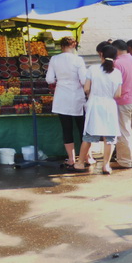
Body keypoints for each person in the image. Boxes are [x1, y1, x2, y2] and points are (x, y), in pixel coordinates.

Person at [74, 43, 122, 174]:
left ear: (101, 54)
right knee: (109, 138)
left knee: (88, 136)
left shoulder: (93, 69)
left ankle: (79, 163)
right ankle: (106, 165)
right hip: (110, 105)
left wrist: (91, 95)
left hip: (94, 104)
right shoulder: (117, 73)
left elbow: (86, 88)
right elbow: (118, 94)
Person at [45, 36, 87, 168]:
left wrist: (61, 81)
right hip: (77, 96)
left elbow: (49, 79)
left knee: (66, 129)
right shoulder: (78, 59)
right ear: (74, 46)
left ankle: (71, 159)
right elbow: (84, 80)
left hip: (61, 97)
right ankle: (86, 157)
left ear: (61, 46)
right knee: (82, 128)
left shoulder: (54, 59)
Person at [111, 39, 132, 169]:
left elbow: (114, 84)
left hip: (123, 101)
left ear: (115, 50)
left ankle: (124, 161)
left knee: (124, 131)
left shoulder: (116, 63)